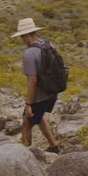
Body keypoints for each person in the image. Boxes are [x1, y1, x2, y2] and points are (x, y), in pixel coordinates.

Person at [12, 18, 61, 153]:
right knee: (39, 118)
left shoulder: (29, 54)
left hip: (39, 96)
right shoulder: (48, 45)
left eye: (22, 36)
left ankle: (23, 154)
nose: (22, 39)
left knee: (26, 124)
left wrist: (28, 104)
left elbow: (32, 80)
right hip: (52, 91)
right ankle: (53, 146)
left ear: (26, 35)